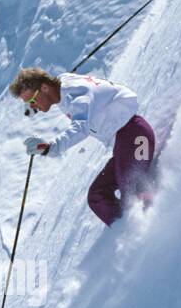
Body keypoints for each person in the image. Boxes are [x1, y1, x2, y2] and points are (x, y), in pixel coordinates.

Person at [9, 66, 157, 226]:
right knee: (97, 196)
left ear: (44, 88)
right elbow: (63, 79)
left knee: (131, 192)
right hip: (122, 144)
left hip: (134, 135)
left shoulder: (78, 97)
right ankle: (124, 230)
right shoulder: (62, 85)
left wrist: (50, 147)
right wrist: (32, 102)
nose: (32, 106)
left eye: (32, 101)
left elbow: (80, 127)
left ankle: (151, 226)